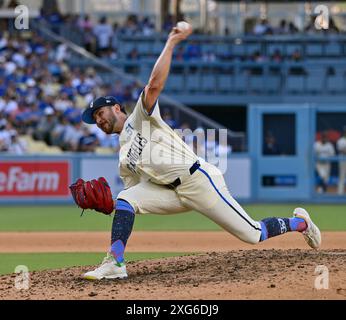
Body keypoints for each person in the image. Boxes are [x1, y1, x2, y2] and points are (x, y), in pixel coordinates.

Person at [78, 24, 321, 280]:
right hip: (171, 193)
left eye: (100, 113)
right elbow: (136, 193)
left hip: (199, 181)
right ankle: (115, 261)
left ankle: (301, 223)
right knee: (126, 198)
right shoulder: (124, 158)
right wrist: (110, 205)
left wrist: (171, 42)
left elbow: (153, 86)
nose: (99, 120)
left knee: (253, 234)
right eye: (95, 118)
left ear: (116, 108)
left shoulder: (139, 118)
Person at [337, 127, 346, 195]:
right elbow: (341, 150)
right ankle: (340, 193)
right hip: (343, 160)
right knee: (342, 176)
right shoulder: (341, 140)